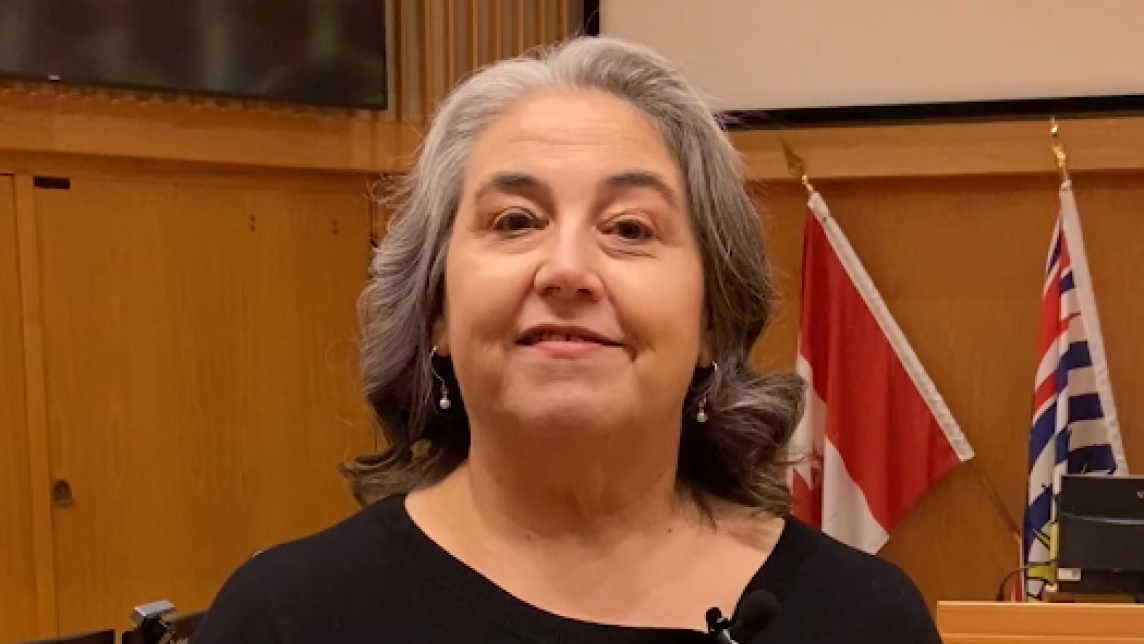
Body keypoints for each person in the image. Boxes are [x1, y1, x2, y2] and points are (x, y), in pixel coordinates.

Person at [193, 36, 941, 643]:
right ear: (436, 314)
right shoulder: (284, 621)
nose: (568, 270)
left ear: (714, 322)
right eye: (515, 221)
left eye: (629, 229)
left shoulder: (862, 621)